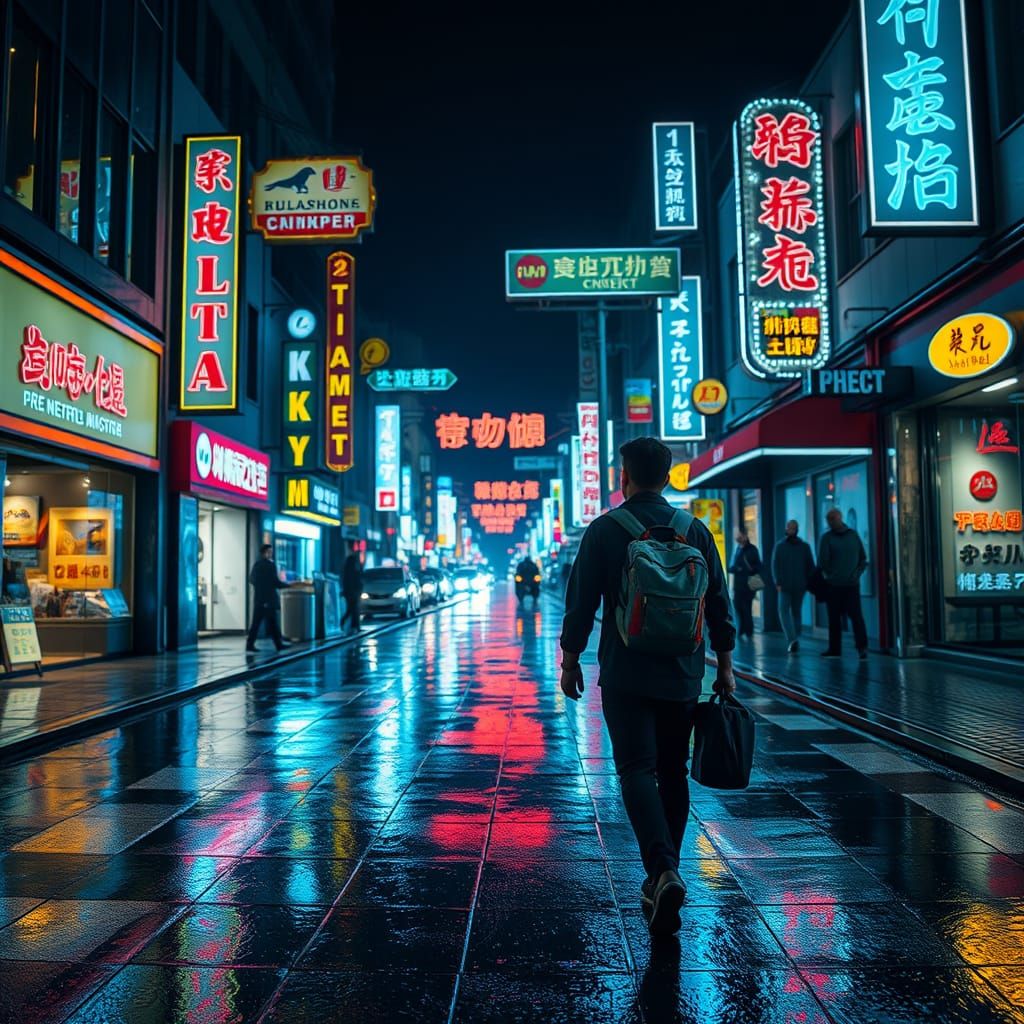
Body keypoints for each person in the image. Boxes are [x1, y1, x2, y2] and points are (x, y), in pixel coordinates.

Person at [559, 437, 736, 937]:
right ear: (669, 475)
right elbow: (719, 602)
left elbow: (581, 602)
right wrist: (724, 664)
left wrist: (570, 660)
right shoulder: (694, 530)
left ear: (624, 476)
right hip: (684, 671)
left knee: (636, 768)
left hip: (626, 671)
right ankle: (667, 869)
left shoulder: (606, 530)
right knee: (673, 770)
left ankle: (661, 871)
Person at [818, 507, 868, 660]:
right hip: (841, 585)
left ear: (839, 518)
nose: (830, 522)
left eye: (832, 519)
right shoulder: (843, 536)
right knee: (843, 617)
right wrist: (853, 575)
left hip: (845, 585)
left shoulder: (846, 536)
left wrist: (854, 575)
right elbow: (823, 562)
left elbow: (862, 559)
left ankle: (856, 648)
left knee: (849, 617)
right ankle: (844, 648)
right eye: (829, 520)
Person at [771, 520, 815, 653]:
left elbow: (810, 566)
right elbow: (775, 565)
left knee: (793, 612)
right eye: (789, 528)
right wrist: (777, 582)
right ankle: (792, 639)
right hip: (784, 586)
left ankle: (794, 638)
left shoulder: (804, 547)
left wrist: (807, 582)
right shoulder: (780, 546)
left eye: (793, 528)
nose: (791, 530)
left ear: (796, 529)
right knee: (786, 611)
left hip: (798, 586)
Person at [245, 544, 290, 652]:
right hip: (268, 600)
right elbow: (275, 582)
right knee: (272, 623)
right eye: (269, 552)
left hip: (259, 599)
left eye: (271, 551)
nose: (271, 553)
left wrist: (260, 588)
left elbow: (251, 579)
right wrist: (287, 585)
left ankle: (250, 645)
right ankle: (278, 645)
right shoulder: (270, 565)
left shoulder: (257, 565)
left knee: (257, 623)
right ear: (264, 553)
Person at [728, 527, 762, 639]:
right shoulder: (738, 549)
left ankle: (748, 631)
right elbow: (733, 566)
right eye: (737, 535)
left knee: (746, 608)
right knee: (738, 606)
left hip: (749, 585)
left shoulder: (752, 549)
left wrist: (744, 569)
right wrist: (734, 569)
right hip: (738, 585)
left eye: (740, 535)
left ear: (745, 536)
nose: (737, 537)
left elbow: (758, 566)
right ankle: (743, 629)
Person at [341, 540, 363, 634]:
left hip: (353, 591)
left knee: (353, 609)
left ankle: (355, 626)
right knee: (352, 609)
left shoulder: (352, 563)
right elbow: (352, 579)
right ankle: (350, 625)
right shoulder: (352, 562)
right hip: (352, 591)